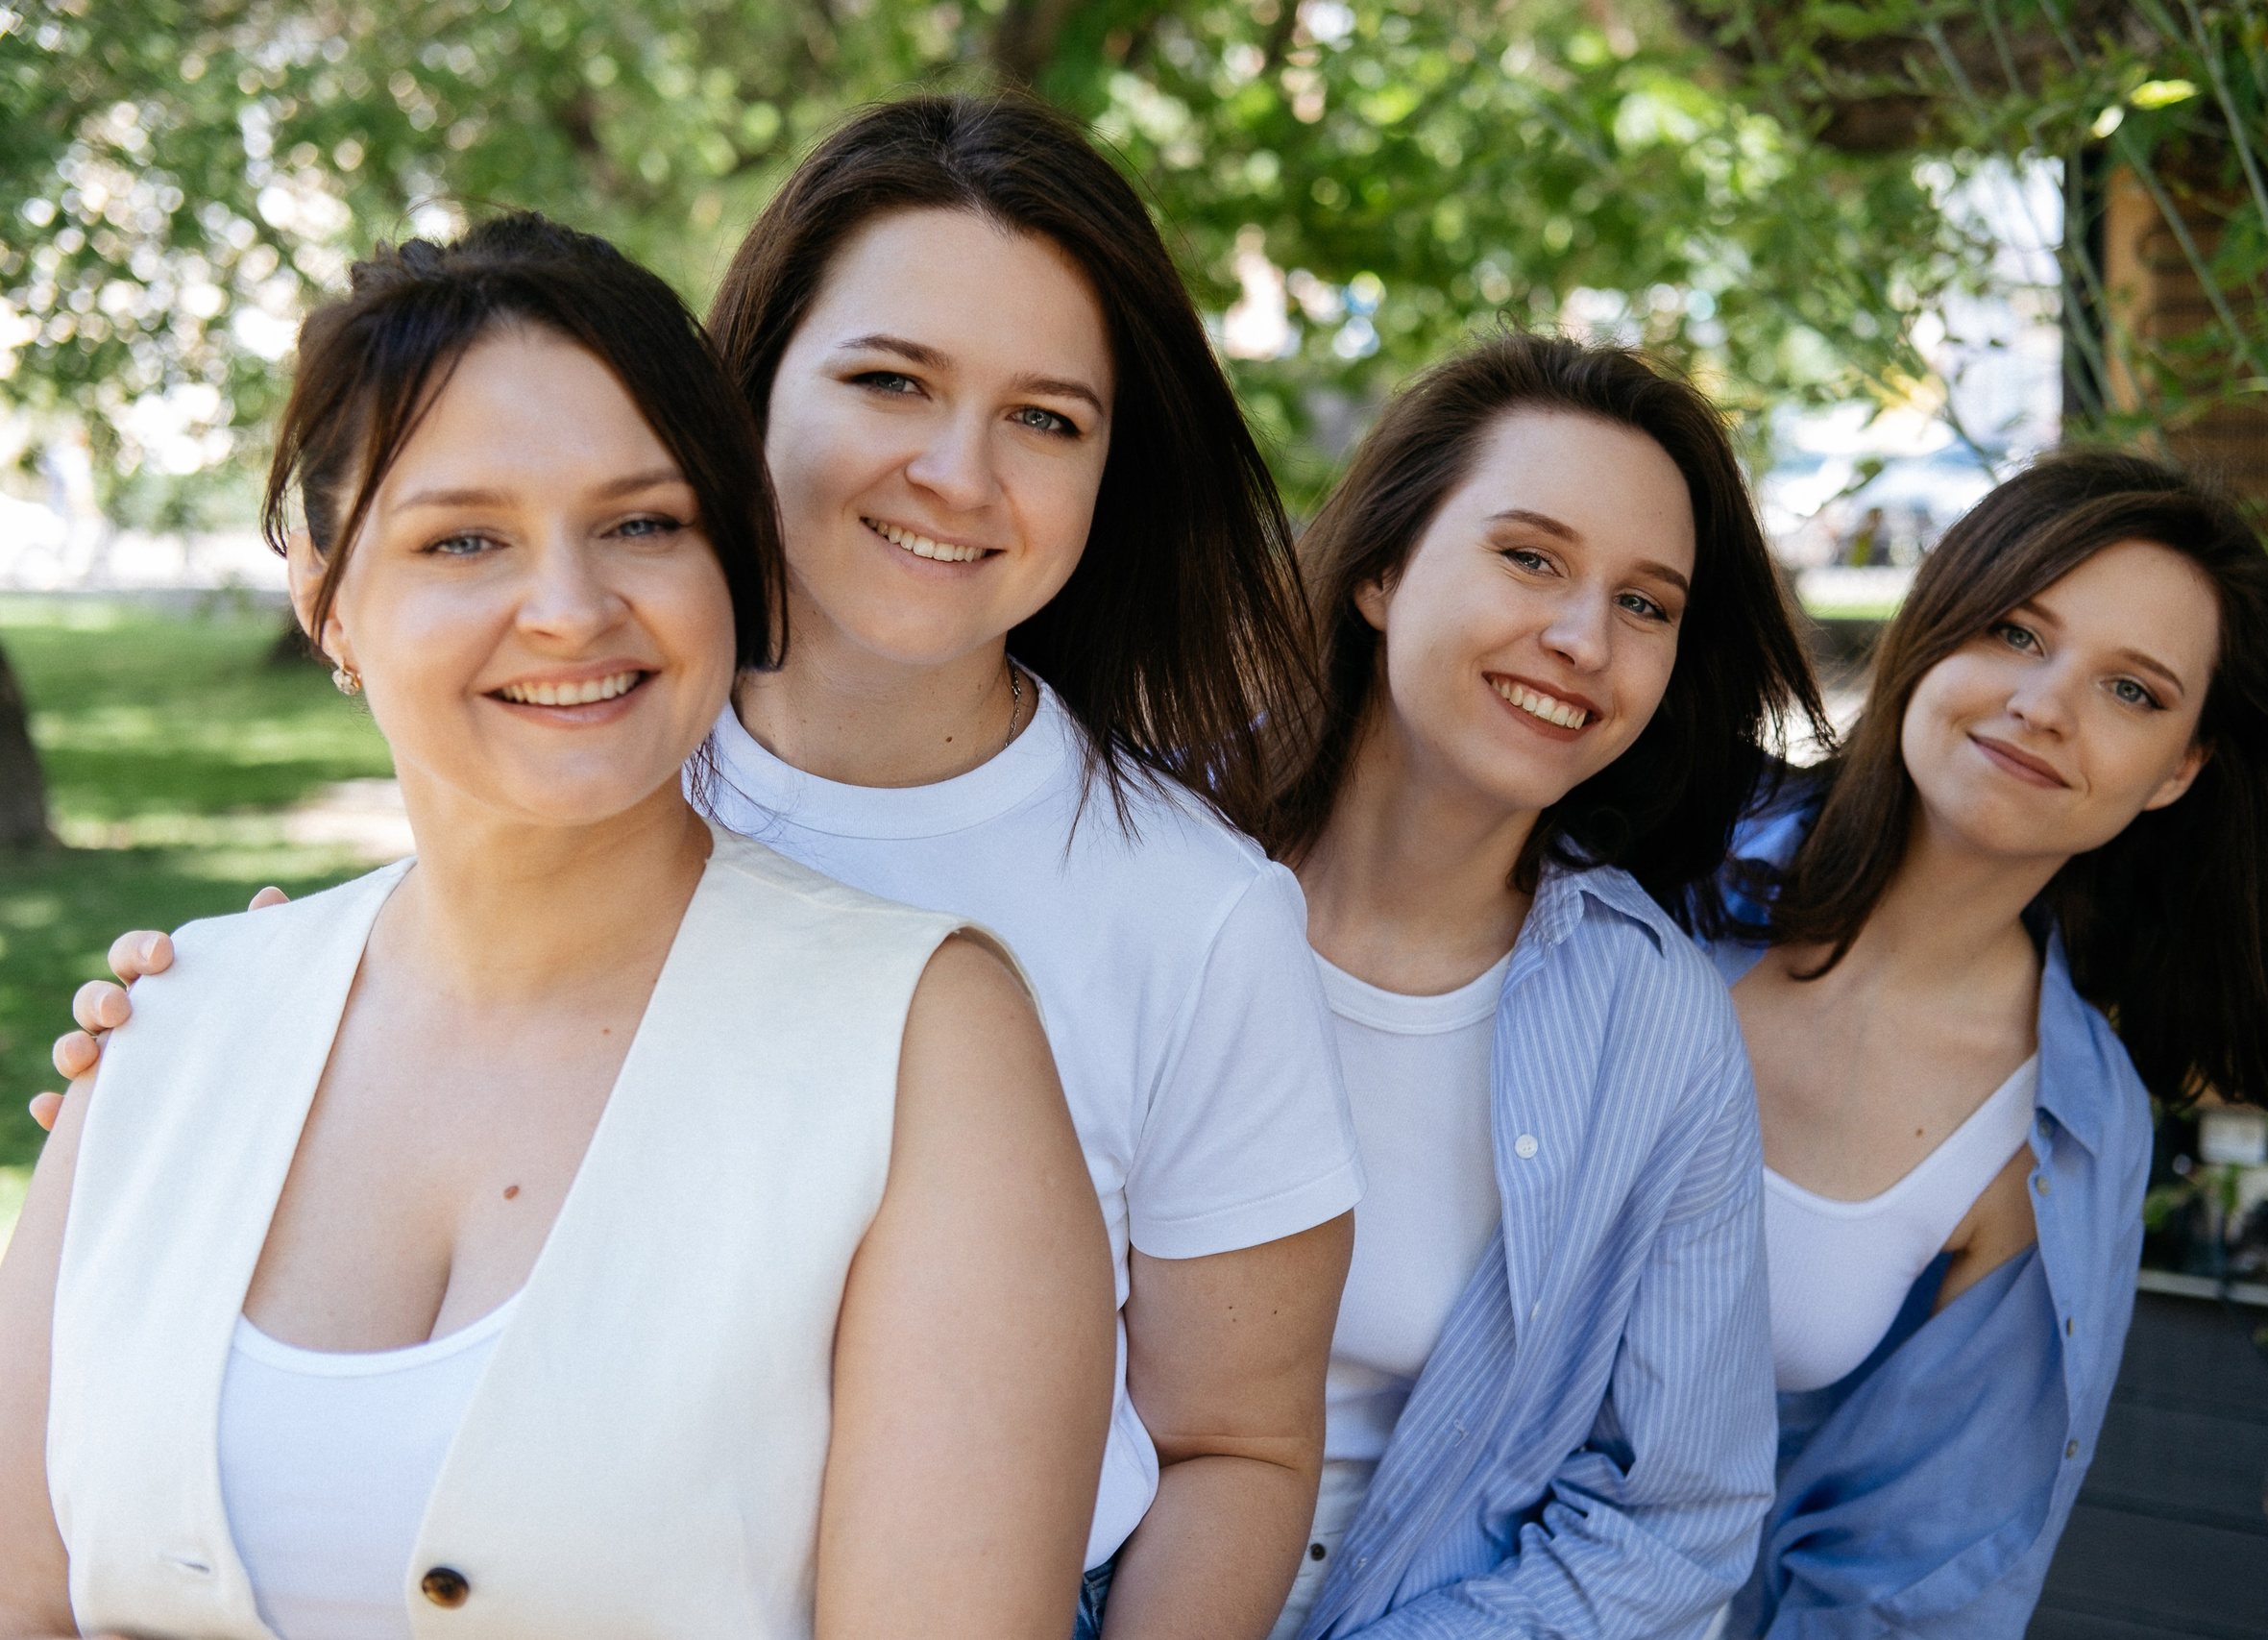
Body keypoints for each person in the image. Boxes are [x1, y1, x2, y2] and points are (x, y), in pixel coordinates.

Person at [42, 93, 1360, 1640]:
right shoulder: (584, 738)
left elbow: (1236, 1439)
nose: (956, 470)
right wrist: (221, 1064)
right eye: (889, 379)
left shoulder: (1182, 918)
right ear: (749, 404)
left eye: (1046, 418)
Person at [1702, 451, 2268, 1635]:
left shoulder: (2062, 1129)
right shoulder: (1663, 850)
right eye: (2016, 633)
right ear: (1934, 623)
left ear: (2178, 770)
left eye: (2133, 692)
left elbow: (1909, 1571)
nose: (2045, 705)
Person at [1261, 332, 1824, 1640]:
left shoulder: (1654, 1020)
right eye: (1530, 557)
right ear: (1384, 570)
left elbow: (1675, 1515)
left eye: (1646, 605)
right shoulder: (1141, 873)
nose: (1582, 639)